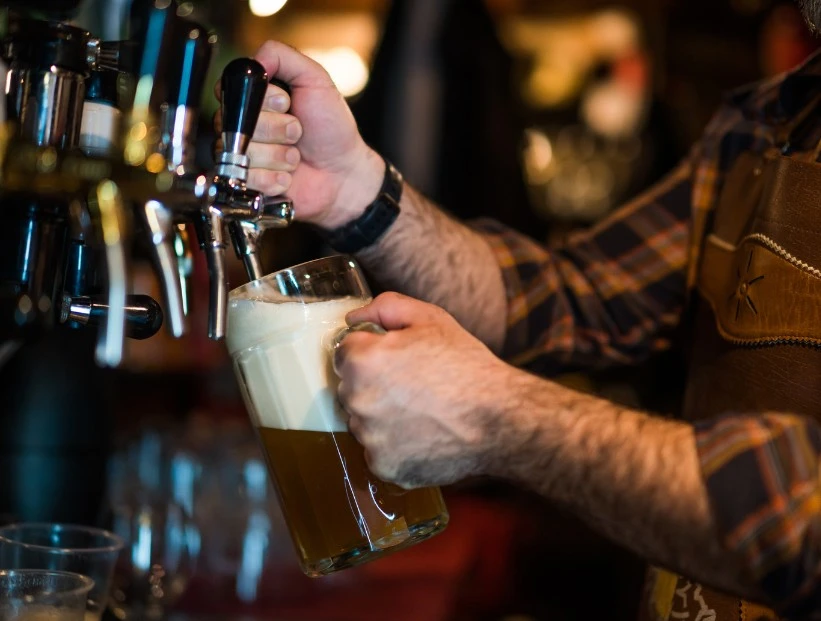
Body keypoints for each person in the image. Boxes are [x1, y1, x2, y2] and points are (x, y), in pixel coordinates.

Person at [217, 1, 821, 617]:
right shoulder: (773, 121)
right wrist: (353, 190)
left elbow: (804, 511)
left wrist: (501, 419)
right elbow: (568, 296)